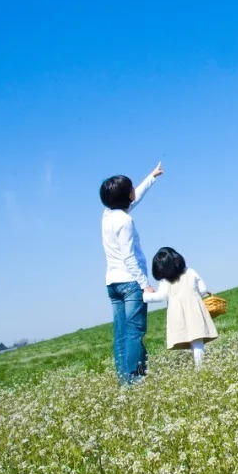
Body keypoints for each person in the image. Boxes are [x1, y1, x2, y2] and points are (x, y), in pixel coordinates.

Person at [100, 163, 163, 384]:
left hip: (112, 283)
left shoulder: (107, 215)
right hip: (130, 282)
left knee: (121, 335)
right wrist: (145, 284)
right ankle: (135, 381)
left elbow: (134, 200)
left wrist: (152, 177)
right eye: (131, 188)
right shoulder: (125, 221)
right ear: (126, 195)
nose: (134, 190)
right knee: (135, 332)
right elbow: (129, 257)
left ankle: (124, 381)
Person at [144, 247, 218, 369]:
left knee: (188, 337)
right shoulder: (190, 271)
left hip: (177, 313)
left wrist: (144, 296)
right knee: (197, 339)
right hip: (195, 309)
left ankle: (199, 367)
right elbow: (203, 289)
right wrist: (193, 297)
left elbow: (161, 296)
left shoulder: (165, 281)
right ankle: (200, 366)